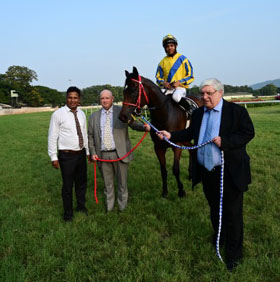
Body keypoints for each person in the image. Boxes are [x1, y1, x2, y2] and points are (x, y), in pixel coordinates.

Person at [158, 78, 255, 271]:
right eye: (203, 93)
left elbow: (248, 133)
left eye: (209, 93)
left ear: (220, 93)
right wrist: (170, 135)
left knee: (233, 213)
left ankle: (234, 255)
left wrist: (225, 141)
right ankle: (220, 237)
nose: (205, 97)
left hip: (229, 172)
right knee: (214, 208)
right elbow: (190, 134)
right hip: (207, 172)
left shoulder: (236, 112)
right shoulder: (199, 112)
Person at [88, 90, 150, 212]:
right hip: (103, 155)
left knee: (122, 183)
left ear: (112, 99)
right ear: (99, 100)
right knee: (108, 184)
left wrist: (143, 127)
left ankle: (122, 207)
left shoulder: (121, 111)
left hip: (120, 153)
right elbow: (90, 136)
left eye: (107, 98)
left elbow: (132, 124)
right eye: (102, 98)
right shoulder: (93, 116)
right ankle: (109, 208)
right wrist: (92, 152)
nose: (104, 100)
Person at [48, 86, 89, 222]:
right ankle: (68, 214)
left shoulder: (82, 114)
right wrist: (53, 157)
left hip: (81, 154)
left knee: (81, 182)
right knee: (67, 185)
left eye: (75, 98)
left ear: (79, 99)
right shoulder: (58, 114)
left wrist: (87, 152)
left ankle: (81, 206)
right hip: (67, 156)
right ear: (66, 98)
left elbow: (84, 134)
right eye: (70, 97)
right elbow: (52, 137)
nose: (72, 100)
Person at [155, 34, 194, 111]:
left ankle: (190, 111)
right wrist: (163, 83)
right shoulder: (162, 62)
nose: (170, 48)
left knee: (175, 97)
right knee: (157, 97)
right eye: (167, 46)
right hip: (168, 89)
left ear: (175, 46)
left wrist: (179, 82)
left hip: (180, 88)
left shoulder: (183, 59)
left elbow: (190, 76)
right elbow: (158, 78)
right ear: (165, 48)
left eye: (171, 45)